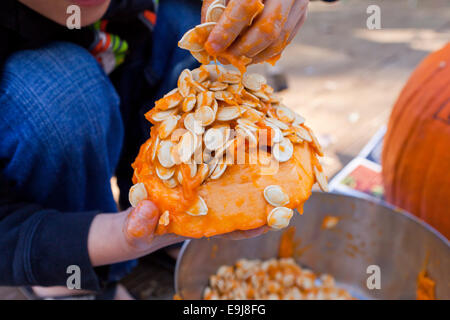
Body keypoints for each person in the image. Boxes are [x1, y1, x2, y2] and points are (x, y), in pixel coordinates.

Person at [0, 0, 319, 299]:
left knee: (188, 18)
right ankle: (68, 274)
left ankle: (167, 205)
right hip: (46, 108)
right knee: (61, 92)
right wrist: (116, 238)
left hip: (128, 55)